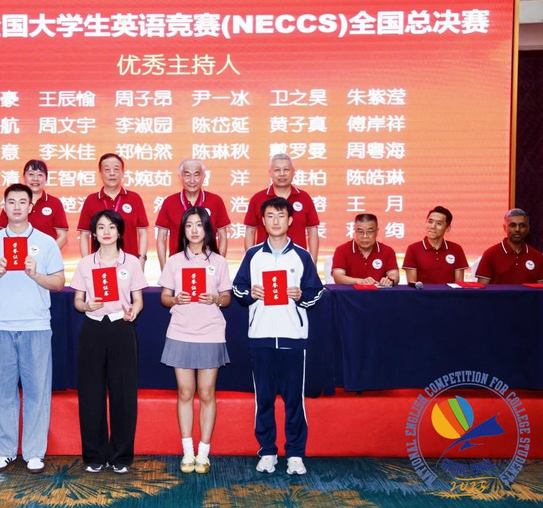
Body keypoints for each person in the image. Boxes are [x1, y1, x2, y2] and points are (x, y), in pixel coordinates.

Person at [0, 183, 65, 474]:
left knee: (37, 391)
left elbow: (59, 283)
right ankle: (4, 450)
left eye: (22, 202)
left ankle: (34, 452)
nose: (16, 207)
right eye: (11, 201)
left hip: (35, 325)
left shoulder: (46, 242)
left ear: (30, 207)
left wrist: (36, 275)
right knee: (2, 391)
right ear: (4, 206)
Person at [232, 197, 323, 476]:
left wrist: (301, 295)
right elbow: (238, 289)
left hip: (293, 337)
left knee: (295, 400)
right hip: (260, 337)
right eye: (270, 216)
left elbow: (316, 292)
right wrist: (251, 294)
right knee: (264, 400)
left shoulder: (302, 256)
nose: (275, 221)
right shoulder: (252, 255)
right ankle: (267, 451)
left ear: (290, 221)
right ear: (262, 221)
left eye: (281, 216)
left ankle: (295, 454)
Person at [71, 209, 146, 474]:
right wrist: (86, 305)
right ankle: (94, 454)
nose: (106, 232)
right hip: (92, 328)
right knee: (91, 393)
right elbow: (77, 300)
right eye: (101, 227)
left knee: (123, 393)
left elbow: (138, 300)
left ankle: (121, 456)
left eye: (112, 227)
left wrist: (133, 311)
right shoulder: (85, 263)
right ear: (94, 233)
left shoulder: (131, 262)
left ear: (119, 232)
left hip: (121, 328)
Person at [158, 206, 231, 474]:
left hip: (210, 332)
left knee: (207, 392)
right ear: (183, 230)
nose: (194, 230)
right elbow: (164, 297)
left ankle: (204, 452)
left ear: (207, 228)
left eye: (199, 224)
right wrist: (175, 299)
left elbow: (227, 298)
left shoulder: (219, 262)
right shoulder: (175, 261)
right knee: (185, 392)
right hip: (181, 332)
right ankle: (187, 451)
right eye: (189, 225)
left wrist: (216, 298)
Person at [155, 159, 230, 270]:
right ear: (180, 177)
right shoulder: (169, 202)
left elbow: (222, 236)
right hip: (178, 266)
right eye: (187, 175)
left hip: (208, 266)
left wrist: (219, 265)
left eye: (196, 175)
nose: (192, 180)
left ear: (203, 177)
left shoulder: (216, 201)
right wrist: (164, 269)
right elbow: (162, 238)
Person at [78, 153, 149, 270]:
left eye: (116, 169)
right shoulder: (91, 200)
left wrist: (141, 260)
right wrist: (87, 263)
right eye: (107, 170)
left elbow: (142, 232)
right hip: (99, 266)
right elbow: (84, 235)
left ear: (123, 172)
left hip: (129, 263)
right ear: (100, 174)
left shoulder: (134, 198)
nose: (112, 173)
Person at [244, 154, 320, 262]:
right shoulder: (258, 198)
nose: (282, 174)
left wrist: (312, 262)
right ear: (270, 172)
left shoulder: (304, 197)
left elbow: (312, 230)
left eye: (286, 170)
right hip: (265, 260)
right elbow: (250, 231)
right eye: (277, 170)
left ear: (293, 172)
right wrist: (250, 261)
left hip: (298, 260)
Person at [0, 159, 69, 249]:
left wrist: (47, 253)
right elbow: (2, 233)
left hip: (45, 256)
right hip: (15, 254)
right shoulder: (13, 201)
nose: (35, 179)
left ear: (46, 179)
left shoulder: (55, 203)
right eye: (31, 174)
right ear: (24, 177)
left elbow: (62, 237)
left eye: (40, 175)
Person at [476, 208, 543, 284]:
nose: (517, 229)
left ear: (528, 229)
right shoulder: (490, 255)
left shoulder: (538, 257)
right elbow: (482, 289)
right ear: (505, 228)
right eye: (513, 225)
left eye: (522, 225)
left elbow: (540, 288)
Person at [402, 206, 469, 284]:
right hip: (423, 292)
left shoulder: (456, 249)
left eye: (439, 223)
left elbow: (459, 284)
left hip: (449, 292)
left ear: (447, 228)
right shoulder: (413, 249)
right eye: (430, 222)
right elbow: (412, 284)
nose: (432, 227)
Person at [331, 214, 399, 286]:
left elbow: (394, 275)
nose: (365, 236)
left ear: (377, 231)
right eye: (360, 232)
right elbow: (338, 277)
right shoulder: (342, 250)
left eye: (370, 232)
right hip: (350, 293)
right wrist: (359, 281)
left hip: (378, 292)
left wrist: (390, 280)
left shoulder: (387, 251)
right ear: (355, 231)